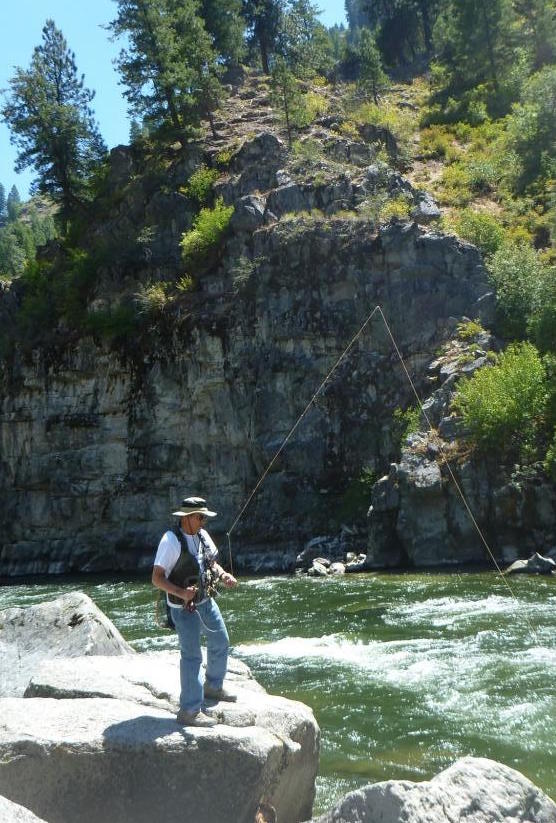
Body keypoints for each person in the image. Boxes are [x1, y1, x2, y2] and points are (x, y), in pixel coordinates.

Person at [152, 496, 238, 727]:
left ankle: (213, 686)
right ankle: (189, 711)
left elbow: (211, 563)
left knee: (221, 640)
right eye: (201, 517)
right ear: (188, 518)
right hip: (183, 608)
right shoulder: (170, 541)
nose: (204, 521)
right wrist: (181, 593)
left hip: (205, 600)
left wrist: (223, 575)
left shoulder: (202, 535)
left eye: (204, 518)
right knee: (192, 656)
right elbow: (156, 579)